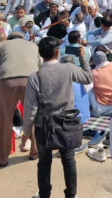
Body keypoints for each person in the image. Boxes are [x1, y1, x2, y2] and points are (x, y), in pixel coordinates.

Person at [22, 36, 91, 198]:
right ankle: (71, 194)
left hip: (43, 126)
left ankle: (44, 194)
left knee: (44, 162)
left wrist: (26, 133)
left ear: (41, 53)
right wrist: (82, 57)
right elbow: (87, 78)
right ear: (57, 52)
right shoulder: (68, 68)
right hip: (67, 124)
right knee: (69, 161)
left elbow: (30, 108)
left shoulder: (34, 77)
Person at [0, 33, 41, 166]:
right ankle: (35, 152)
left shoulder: (1, 45)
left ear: (9, 39)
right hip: (31, 81)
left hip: (6, 82)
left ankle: (2, 158)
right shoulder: (33, 45)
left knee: (4, 120)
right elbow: (40, 65)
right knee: (34, 117)